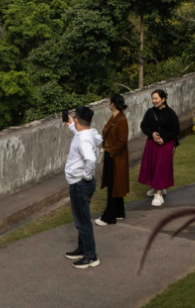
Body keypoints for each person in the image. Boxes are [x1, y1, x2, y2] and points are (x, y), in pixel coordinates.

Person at [64, 106, 103, 269]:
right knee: (81, 218)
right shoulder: (90, 133)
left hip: (80, 184)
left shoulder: (83, 139)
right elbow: (90, 137)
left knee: (83, 221)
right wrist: (72, 125)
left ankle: (90, 256)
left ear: (78, 120)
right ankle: (83, 248)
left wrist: (86, 176)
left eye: (75, 119)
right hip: (81, 183)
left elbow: (91, 160)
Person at [138, 89, 180, 207]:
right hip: (152, 143)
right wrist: (151, 133)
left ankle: (159, 194)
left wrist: (164, 139)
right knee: (152, 165)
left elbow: (176, 130)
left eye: (156, 98)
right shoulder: (150, 112)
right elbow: (144, 126)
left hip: (166, 144)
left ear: (163, 99)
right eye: (153, 99)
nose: (154, 101)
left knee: (161, 166)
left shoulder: (171, 113)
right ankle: (157, 186)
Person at [95, 94, 129, 226]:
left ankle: (109, 216)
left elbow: (122, 141)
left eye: (110, 102)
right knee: (114, 184)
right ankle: (119, 212)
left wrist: (112, 152)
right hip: (111, 155)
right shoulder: (115, 118)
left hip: (115, 157)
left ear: (113, 104)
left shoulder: (121, 119)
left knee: (114, 185)